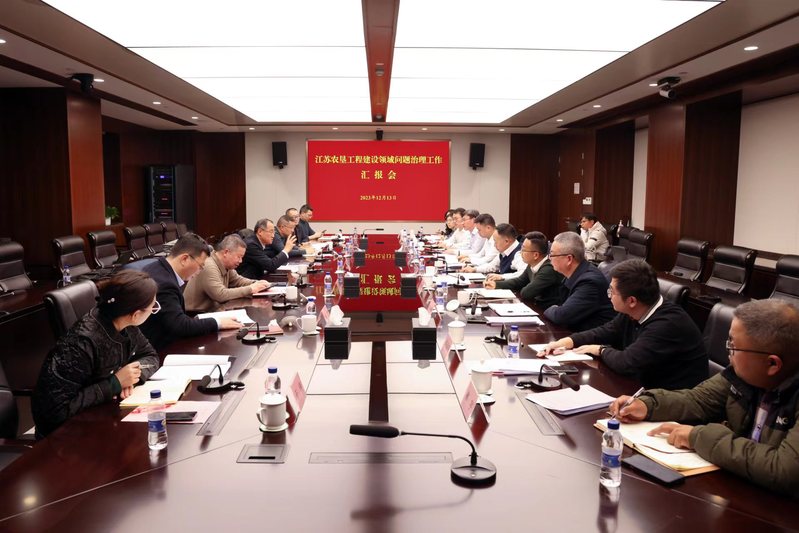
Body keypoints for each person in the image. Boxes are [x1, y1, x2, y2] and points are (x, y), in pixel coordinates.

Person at [610, 299, 799, 497]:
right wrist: (648, 405)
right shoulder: (743, 376)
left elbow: (785, 470)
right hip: (741, 487)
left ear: (772, 364)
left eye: (734, 346)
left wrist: (699, 437)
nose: (728, 352)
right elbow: (697, 400)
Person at [31, 270, 161, 437]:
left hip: (100, 418)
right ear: (136, 315)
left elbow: (150, 356)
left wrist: (132, 378)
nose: (153, 310)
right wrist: (114, 383)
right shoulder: (81, 343)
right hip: (65, 437)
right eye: (153, 308)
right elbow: (55, 413)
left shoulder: (125, 324)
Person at [543, 259, 707, 389]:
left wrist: (600, 350)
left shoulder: (667, 324)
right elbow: (606, 331)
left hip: (674, 402)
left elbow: (627, 363)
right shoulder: (635, 310)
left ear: (632, 301)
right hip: (646, 388)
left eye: (612, 292)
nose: (608, 296)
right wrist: (568, 341)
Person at [139, 233, 241, 350]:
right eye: (200, 266)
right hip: (159, 350)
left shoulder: (157, 267)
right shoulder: (165, 284)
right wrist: (218, 323)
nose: (200, 271)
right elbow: (180, 326)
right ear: (185, 259)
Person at [543, 231, 616, 332]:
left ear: (569, 259)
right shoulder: (574, 274)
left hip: (595, 338)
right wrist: (556, 309)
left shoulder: (590, 282)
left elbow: (562, 316)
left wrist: (551, 309)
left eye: (552, 255)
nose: (549, 259)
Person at [183, 234, 270, 312]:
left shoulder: (226, 265)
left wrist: (257, 283)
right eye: (239, 257)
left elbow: (238, 280)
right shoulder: (209, 266)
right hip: (195, 315)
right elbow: (220, 295)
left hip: (213, 311)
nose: (241, 261)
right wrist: (250, 289)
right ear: (226, 252)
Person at [485, 231, 563, 309]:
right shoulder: (532, 264)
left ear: (535, 255)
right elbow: (519, 281)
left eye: (524, 250)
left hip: (547, 310)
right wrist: (496, 284)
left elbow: (527, 293)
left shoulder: (548, 270)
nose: (520, 252)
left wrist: (523, 287)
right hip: (537, 306)